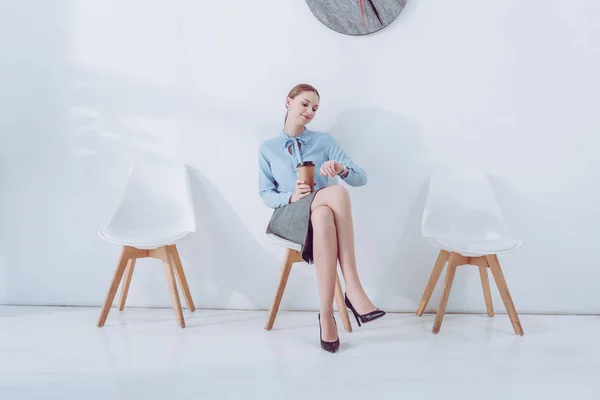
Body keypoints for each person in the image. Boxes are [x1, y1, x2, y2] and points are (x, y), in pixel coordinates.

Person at [258, 84, 385, 353]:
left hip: (319, 216)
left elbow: (361, 178)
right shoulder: (268, 148)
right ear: (288, 102)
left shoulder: (323, 141)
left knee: (325, 212)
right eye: (304, 104)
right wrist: (291, 197)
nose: (309, 111)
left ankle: (326, 315)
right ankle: (353, 287)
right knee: (336, 192)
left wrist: (341, 168)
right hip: (288, 218)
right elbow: (266, 194)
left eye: (314, 108)